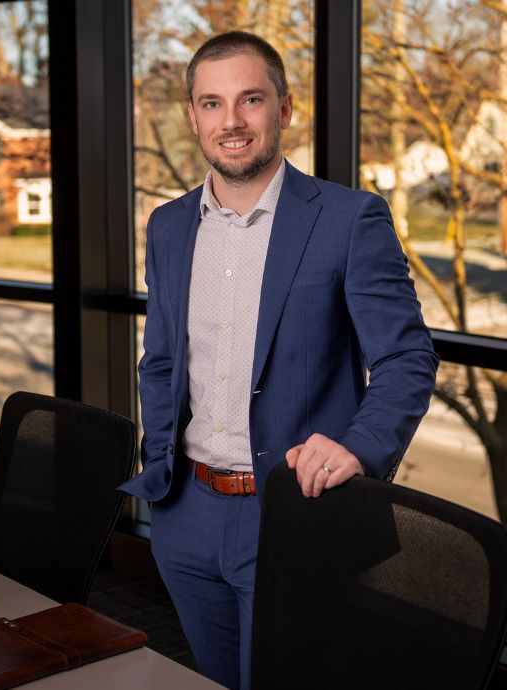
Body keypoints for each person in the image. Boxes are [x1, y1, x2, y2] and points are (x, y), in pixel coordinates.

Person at [120, 31, 438, 690]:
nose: (230, 122)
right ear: (192, 117)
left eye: (250, 100)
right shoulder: (169, 226)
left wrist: (361, 446)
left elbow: (406, 356)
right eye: (211, 104)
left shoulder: (350, 219)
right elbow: (160, 362)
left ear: (285, 109)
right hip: (186, 514)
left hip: (296, 516)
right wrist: (161, 467)